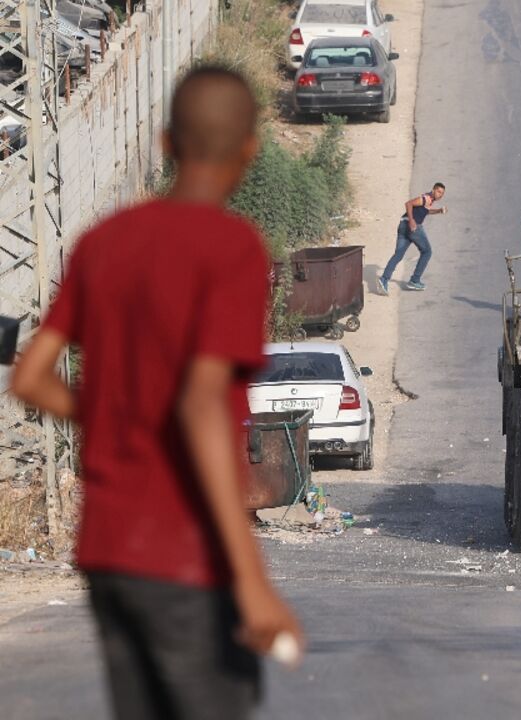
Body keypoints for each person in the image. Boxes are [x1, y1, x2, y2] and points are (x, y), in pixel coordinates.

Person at [10, 67, 303, 720]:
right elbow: (201, 404)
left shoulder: (101, 244)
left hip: (109, 552)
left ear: (167, 142)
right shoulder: (232, 249)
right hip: (185, 553)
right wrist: (252, 581)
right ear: (249, 149)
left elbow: (29, 377)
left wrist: (112, 414)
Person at [377, 183, 447, 294]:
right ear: (433, 190)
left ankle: (384, 279)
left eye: (442, 193)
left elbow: (426, 211)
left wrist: (438, 211)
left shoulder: (429, 200)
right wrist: (412, 221)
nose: (440, 195)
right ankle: (414, 280)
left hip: (403, 225)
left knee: (398, 255)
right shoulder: (425, 198)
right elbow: (408, 204)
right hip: (412, 227)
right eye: (438, 191)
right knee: (427, 252)